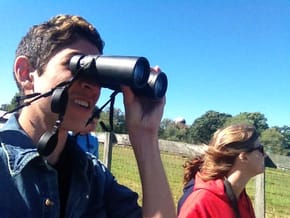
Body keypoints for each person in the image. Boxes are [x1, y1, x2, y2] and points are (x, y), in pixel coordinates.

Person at [0, 14, 176, 218]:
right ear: (26, 73)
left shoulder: (95, 178)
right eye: (76, 65)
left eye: (97, 74)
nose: (91, 85)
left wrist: (146, 135)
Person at [178, 124, 266, 218]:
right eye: (260, 149)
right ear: (244, 157)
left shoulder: (242, 199)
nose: (265, 155)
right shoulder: (201, 203)